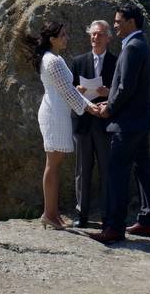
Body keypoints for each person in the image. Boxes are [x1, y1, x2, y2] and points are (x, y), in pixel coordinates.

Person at [89, 5, 150, 244]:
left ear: (131, 22)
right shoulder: (140, 45)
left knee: (117, 174)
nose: (116, 25)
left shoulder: (132, 48)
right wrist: (109, 102)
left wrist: (109, 108)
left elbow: (125, 88)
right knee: (143, 171)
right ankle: (147, 221)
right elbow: (129, 88)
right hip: (140, 121)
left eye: (119, 21)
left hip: (127, 124)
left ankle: (114, 227)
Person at [21, 21, 100, 230]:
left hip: (59, 110)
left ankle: (53, 213)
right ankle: (49, 214)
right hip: (54, 113)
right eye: (63, 35)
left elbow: (65, 88)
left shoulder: (55, 58)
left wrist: (79, 92)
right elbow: (65, 91)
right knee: (53, 164)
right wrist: (90, 107)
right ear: (52, 39)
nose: (67, 38)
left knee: (55, 163)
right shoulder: (52, 61)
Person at [69, 20, 116, 228]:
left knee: (107, 171)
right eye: (92, 34)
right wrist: (77, 91)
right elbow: (68, 91)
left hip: (105, 125)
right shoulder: (78, 61)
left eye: (99, 35)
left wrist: (109, 93)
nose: (95, 38)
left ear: (108, 37)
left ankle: (108, 215)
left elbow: (123, 91)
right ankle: (82, 214)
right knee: (82, 171)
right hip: (84, 124)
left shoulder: (116, 63)